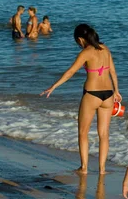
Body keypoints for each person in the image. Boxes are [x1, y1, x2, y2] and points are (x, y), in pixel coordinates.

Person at [41, 24, 122, 174]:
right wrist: (117, 91)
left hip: (92, 94)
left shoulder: (86, 53)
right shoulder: (105, 49)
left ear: (80, 39)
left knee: (83, 132)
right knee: (104, 133)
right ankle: (102, 169)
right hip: (108, 95)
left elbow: (70, 72)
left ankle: (84, 168)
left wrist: (53, 86)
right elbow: (113, 72)